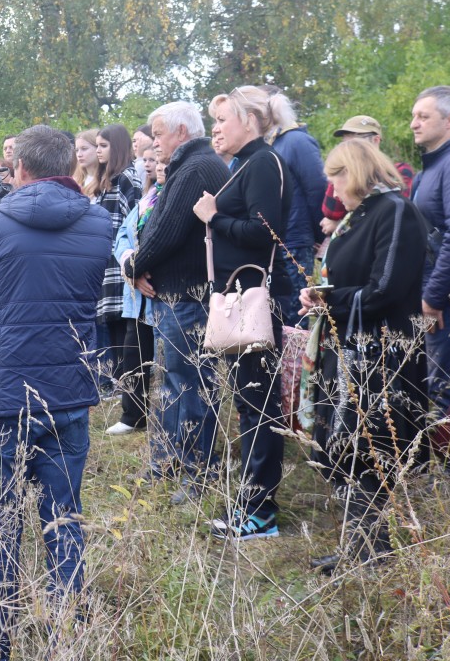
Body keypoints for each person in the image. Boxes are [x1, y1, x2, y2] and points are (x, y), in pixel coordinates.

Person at [0, 124, 112, 661]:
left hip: (1, 398)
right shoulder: (99, 221)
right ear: (71, 166)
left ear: (19, 168)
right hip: (66, 392)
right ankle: (70, 634)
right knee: (63, 515)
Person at [297, 139, 429, 575]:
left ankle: (372, 556)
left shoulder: (395, 212)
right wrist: (318, 294)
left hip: (381, 353)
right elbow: (342, 279)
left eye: (336, 177)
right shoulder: (357, 217)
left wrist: (328, 302)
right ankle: (361, 549)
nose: (332, 189)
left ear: (355, 171)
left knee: (367, 448)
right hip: (347, 348)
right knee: (340, 449)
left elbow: (385, 287)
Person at [194, 86, 293, 540]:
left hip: (255, 299)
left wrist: (214, 217)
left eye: (222, 120)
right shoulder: (245, 165)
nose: (214, 129)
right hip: (239, 298)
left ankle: (260, 513)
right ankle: (252, 505)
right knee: (249, 405)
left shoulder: (262, 163)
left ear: (250, 121)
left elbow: (264, 233)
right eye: (212, 121)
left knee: (258, 406)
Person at [121, 103, 229, 504]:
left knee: (191, 385)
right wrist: (137, 265)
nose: (154, 141)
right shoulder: (189, 165)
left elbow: (165, 233)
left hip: (189, 296)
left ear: (182, 132)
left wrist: (133, 265)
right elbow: (155, 226)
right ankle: (166, 461)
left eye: (159, 133)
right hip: (176, 295)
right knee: (173, 382)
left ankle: (197, 471)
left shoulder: (196, 168)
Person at [408, 86, 450, 422]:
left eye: (423, 116)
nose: (413, 124)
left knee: (446, 399)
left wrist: (433, 299)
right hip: (433, 295)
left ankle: (448, 475)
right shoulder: (429, 169)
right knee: (430, 393)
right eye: (413, 116)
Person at [106, 150, 160, 436]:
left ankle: (163, 416)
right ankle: (133, 413)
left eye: (160, 160)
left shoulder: (170, 196)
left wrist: (141, 269)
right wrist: (131, 267)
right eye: (149, 160)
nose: (153, 165)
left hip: (159, 290)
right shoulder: (145, 199)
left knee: (162, 360)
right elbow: (122, 237)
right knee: (133, 353)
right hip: (136, 292)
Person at [263, 87, 327, 323]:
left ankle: (299, 362)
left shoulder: (296, 141)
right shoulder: (271, 144)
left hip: (295, 242)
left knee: (292, 316)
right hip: (276, 244)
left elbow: (317, 189)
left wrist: (320, 234)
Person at [90, 124, 143, 394]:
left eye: (103, 145)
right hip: (105, 261)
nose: (98, 150)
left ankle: (126, 386)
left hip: (120, 261)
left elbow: (134, 224)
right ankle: (115, 382)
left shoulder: (127, 178)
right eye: (96, 145)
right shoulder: (105, 180)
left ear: (118, 147)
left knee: (123, 323)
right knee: (110, 321)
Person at [319, 116, 414, 236]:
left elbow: (390, 209)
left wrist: (341, 223)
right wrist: (341, 171)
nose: (349, 149)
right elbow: (331, 212)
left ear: (376, 140)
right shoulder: (344, 172)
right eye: (345, 143)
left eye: (356, 142)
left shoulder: (400, 170)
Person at [74, 129, 100, 196]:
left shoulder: (106, 182)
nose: (79, 154)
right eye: (77, 150)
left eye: (84, 149)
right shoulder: (75, 180)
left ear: (98, 148)